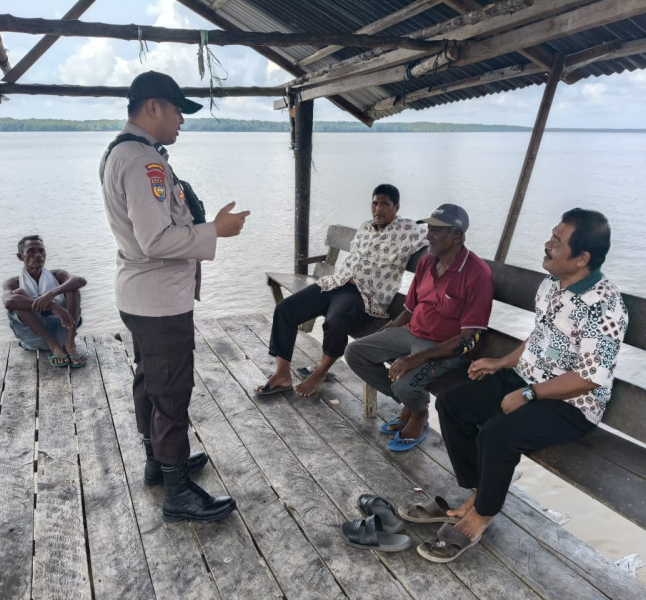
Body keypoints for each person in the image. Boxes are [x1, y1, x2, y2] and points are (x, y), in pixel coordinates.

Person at [414, 208, 628, 563]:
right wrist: (501, 363)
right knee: (452, 405)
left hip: (572, 404)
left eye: (557, 242)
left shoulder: (605, 305)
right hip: (528, 380)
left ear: (582, 258)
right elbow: (540, 338)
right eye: (551, 235)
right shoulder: (551, 285)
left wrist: (530, 394)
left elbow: (590, 378)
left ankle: (483, 514)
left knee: (497, 434)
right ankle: (480, 490)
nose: (547, 244)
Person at [100, 70, 249, 523]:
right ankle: (178, 492)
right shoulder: (143, 162)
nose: (182, 119)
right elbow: (155, 240)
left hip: (142, 296)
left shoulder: (124, 153)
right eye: (177, 110)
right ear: (153, 107)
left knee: (151, 381)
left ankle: (159, 464)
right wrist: (214, 231)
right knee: (171, 393)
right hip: (160, 301)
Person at [345, 204, 494, 452]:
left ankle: (418, 413)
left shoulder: (477, 274)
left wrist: (415, 360)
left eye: (437, 231)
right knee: (356, 353)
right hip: (411, 332)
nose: (428, 235)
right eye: (429, 229)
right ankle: (409, 403)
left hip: (442, 346)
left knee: (404, 383)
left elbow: (468, 338)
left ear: (457, 236)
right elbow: (411, 308)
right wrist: (387, 330)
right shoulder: (427, 262)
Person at [257, 184, 427, 398]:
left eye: (384, 204)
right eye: (375, 203)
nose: (378, 209)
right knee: (285, 310)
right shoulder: (366, 227)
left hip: (363, 295)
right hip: (335, 283)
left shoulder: (409, 230)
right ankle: (282, 375)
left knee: (336, 321)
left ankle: (320, 372)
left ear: (397, 206)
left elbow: (437, 238)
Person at [2, 235, 87, 368]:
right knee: (18, 295)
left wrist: (51, 294)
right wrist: (52, 305)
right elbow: (8, 301)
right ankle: (54, 346)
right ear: (20, 257)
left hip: (63, 330)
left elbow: (80, 281)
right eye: (31, 251)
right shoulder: (13, 282)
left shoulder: (57, 275)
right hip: (35, 336)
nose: (38, 255)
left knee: (73, 288)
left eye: (41, 251)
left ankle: (70, 344)